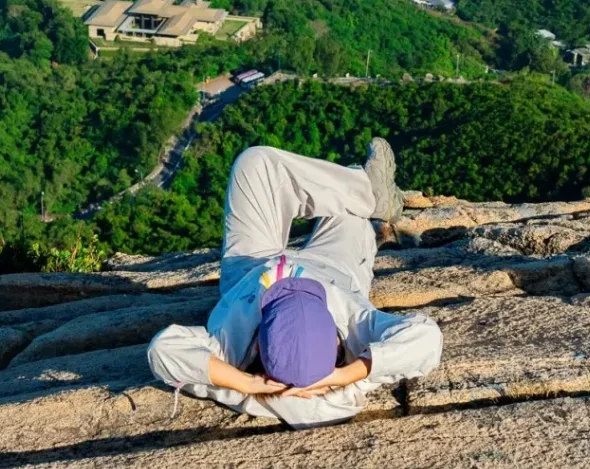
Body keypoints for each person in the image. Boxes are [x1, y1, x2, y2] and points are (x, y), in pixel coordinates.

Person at [147, 139, 442, 428]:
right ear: (338, 343)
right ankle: (366, 195)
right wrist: (344, 375)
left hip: (251, 268)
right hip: (335, 266)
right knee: (350, 210)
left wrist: (249, 383)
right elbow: (427, 339)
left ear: (260, 351)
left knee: (256, 163)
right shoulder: (357, 336)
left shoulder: (230, 357)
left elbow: (163, 351)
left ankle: (363, 190)